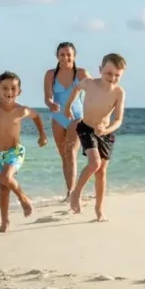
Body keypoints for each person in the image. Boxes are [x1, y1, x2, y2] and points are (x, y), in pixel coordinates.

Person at [0, 71, 47, 233]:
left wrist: (42, 135)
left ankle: (23, 199)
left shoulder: (22, 110)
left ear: (19, 92)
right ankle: (5, 222)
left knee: (5, 177)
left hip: (15, 152)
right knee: (4, 188)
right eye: (5, 88)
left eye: (13, 88)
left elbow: (36, 116)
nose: (9, 92)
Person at [64, 53, 127, 222]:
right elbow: (76, 88)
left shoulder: (119, 93)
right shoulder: (89, 83)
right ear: (100, 69)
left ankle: (99, 209)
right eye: (108, 73)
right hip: (86, 128)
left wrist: (106, 130)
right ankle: (76, 192)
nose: (112, 78)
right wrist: (68, 106)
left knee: (101, 172)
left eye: (117, 75)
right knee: (94, 163)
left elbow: (118, 120)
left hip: (105, 133)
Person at [42, 42, 90, 200]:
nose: (65, 57)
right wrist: (50, 104)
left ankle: (72, 192)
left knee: (71, 152)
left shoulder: (81, 73)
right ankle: (69, 190)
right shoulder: (51, 74)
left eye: (69, 54)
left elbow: (94, 91)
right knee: (63, 155)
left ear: (74, 55)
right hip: (58, 118)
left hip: (76, 116)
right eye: (62, 54)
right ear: (57, 56)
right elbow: (48, 97)